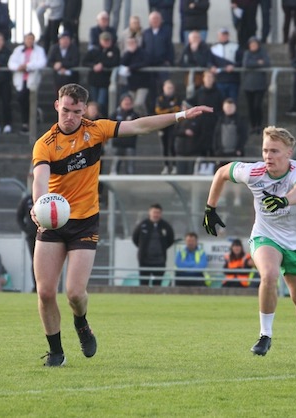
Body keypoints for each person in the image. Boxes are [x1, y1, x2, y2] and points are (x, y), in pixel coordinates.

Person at [30, 83, 211, 366]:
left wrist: (180, 116)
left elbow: (139, 126)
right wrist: (38, 204)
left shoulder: (96, 130)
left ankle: (81, 323)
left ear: (85, 110)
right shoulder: (45, 144)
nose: (70, 117)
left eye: (76, 112)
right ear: (57, 106)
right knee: (45, 291)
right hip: (53, 221)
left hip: (85, 221)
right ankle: (56, 352)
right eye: (65, 110)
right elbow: (39, 179)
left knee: (75, 293)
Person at [203, 126, 296, 360]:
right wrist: (210, 208)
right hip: (265, 236)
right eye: (265, 150)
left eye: (275, 151)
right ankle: (265, 335)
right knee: (269, 275)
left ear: (289, 153)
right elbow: (221, 173)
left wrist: (283, 200)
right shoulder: (253, 172)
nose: (268, 156)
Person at [8, 33, 47, 134]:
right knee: (21, 98)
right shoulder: (18, 50)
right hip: (21, 78)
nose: (29, 41)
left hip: (32, 78)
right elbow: (11, 63)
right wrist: (19, 67)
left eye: (31, 39)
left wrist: (28, 66)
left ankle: (28, 122)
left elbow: (42, 62)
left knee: (30, 99)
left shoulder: (39, 50)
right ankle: (27, 120)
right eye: (28, 39)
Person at [132, 203, 176, 286]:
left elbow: (170, 239)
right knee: (144, 284)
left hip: (160, 261)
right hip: (144, 260)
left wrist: (162, 248)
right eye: (154, 212)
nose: (156, 215)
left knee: (157, 284)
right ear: (150, 212)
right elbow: (135, 238)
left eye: (158, 212)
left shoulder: (165, 226)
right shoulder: (142, 225)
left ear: (161, 214)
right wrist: (142, 248)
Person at [83, 31, 121, 118]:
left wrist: (103, 65)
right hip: (94, 80)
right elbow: (85, 62)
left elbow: (115, 62)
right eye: (105, 40)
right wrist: (93, 66)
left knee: (101, 102)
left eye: (108, 40)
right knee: (94, 102)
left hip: (105, 81)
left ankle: (101, 119)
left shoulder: (115, 50)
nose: (107, 42)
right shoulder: (94, 50)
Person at [241, 36, 270, 135]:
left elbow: (267, 63)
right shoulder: (247, 53)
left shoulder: (263, 53)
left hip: (260, 85)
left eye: (255, 44)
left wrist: (255, 63)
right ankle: (253, 125)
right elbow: (246, 64)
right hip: (248, 85)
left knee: (257, 105)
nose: (253, 46)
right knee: (250, 107)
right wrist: (258, 62)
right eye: (251, 44)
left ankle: (259, 124)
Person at [155, 79, 181, 174]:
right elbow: (158, 111)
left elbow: (177, 109)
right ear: (164, 88)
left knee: (171, 145)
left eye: (171, 88)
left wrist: (167, 111)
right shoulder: (160, 99)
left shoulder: (176, 98)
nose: (169, 90)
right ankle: (166, 166)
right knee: (164, 146)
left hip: (173, 125)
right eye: (167, 88)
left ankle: (174, 165)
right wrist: (170, 110)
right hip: (162, 125)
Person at [109, 93, 140, 175]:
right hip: (117, 144)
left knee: (130, 169)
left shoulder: (135, 115)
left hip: (130, 145)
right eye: (125, 101)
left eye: (129, 101)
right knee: (114, 169)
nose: (127, 103)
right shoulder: (115, 114)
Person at [120, 36, 150, 117]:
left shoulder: (143, 52)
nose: (131, 44)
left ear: (137, 43)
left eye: (132, 42)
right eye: (129, 43)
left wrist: (131, 67)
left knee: (139, 103)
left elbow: (146, 62)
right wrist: (129, 53)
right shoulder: (127, 53)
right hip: (131, 84)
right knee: (132, 104)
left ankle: (145, 117)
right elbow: (122, 63)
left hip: (143, 83)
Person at [210, 27, 240, 103]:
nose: (224, 36)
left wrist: (234, 66)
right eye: (222, 35)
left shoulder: (235, 46)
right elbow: (209, 61)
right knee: (220, 102)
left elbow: (241, 61)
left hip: (232, 79)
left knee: (233, 102)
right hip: (219, 79)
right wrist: (211, 67)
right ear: (218, 36)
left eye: (226, 35)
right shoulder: (213, 48)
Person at [174, 99, 203, 175]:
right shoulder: (179, 119)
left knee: (191, 174)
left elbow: (201, 134)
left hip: (193, 152)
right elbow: (174, 132)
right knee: (180, 173)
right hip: (181, 151)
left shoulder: (198, 120)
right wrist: (184, 132)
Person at [17, 193, 39, 292]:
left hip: (49, 235)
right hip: (32, 236)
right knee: (35, 261)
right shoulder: (27, 200)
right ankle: (36, 287)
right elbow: (19, 217)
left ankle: (50, 286)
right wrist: (26, 230)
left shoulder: (50, 196)